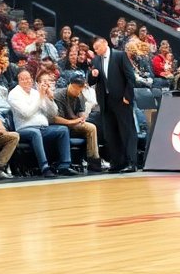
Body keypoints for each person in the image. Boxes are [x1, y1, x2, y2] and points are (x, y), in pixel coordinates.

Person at [8, 66, 75, 177]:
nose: (26, 81)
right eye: (23, 79)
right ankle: (44, 167)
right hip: (24, 129)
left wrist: (50, 99)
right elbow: (27, 113)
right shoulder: (14, 94)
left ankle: (64, 166)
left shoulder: (35, 92)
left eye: (28, 78)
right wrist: (40, 97)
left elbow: (52, 113)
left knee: (63, 130)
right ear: (18, 81)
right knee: (35, 133)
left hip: (43, 128)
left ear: (32, 79)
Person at [89, 35, 137, 173]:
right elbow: (91, 81)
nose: (96, 50)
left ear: (105, 43)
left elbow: (130, 77)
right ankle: (117, 163)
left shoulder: (120, 56)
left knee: (127, 131)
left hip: (122, 100)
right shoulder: (96, 60)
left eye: (97, 47)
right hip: (105, 101)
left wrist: (127, 97)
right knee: (111, 133)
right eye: (94, 49)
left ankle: (131, 162)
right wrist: (93, 74)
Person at [53, 72, 102, 173]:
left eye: (81, 88)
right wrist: (76, 120)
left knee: (94, 126)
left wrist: (82, 117)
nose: (78, 91)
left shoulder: (80, 96)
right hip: (62, 125)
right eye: (77, 87)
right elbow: (56, 119)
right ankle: (92, 161)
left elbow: (81, 112)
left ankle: (93, 161)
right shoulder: (59, 95)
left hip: (75, 123)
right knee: (91, 128)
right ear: (71, 85)